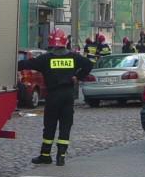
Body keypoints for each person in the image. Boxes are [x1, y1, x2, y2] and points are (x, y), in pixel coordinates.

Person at [18, 29, 93, 166]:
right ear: (65, 42)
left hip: (53, 96)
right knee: (65, 125)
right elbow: (89, 64)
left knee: (50, 125)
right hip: (68, 95)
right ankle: (61, 156)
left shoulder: (46, 58)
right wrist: (78, 77)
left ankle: (45, 155)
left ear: (51, 42)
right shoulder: (73, 57)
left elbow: (27, 64)